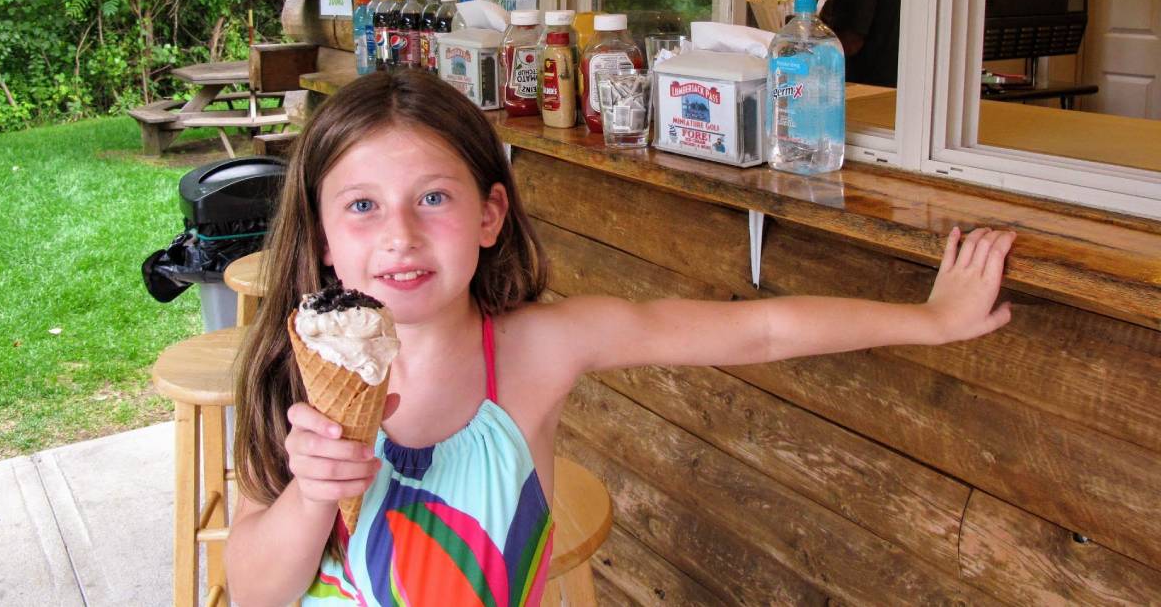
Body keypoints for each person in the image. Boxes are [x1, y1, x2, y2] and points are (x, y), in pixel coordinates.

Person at [226, 69, 1016, 606]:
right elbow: (254, 586)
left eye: (433, 196)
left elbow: (760, 330)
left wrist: (935, 320)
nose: (399, 234)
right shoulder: (293, 377)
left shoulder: (540, 350)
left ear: (490, 215)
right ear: (324, 235)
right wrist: (313, 493)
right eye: (361, 205)